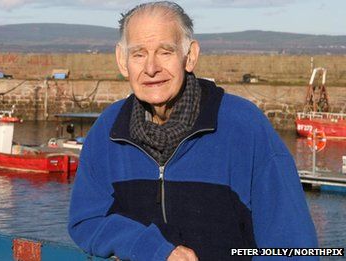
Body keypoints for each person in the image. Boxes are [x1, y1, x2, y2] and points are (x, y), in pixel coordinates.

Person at [68, 1, 318, 260]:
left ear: (190, 56)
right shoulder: (108, 130)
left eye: (165, 52)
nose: (151, 68)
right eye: (139, 54)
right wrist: (149, 248)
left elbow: (292, 245)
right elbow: (86, 220)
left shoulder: (244, 127)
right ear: (122, 61)